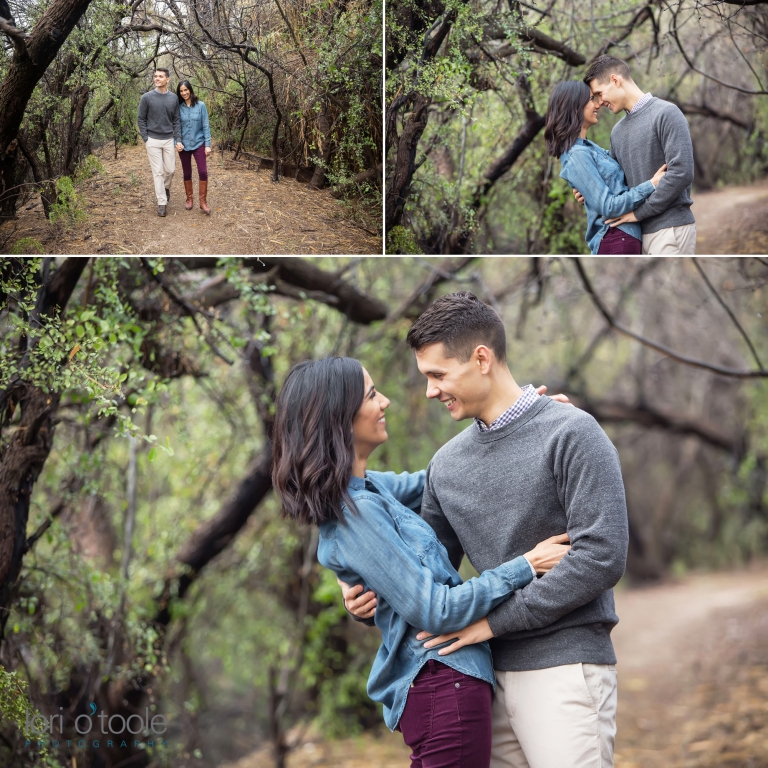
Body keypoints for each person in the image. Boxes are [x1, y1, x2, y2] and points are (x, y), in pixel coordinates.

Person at [344, 292, 629, 768]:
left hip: (564, 668)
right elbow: (427, 575)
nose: (431, 391)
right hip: (481, 676)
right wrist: (368, 599)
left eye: (438, 375)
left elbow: (602, 557)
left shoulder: (572, 432)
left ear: (481, 359)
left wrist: (494, 623)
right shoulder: (447, 465)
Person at [271, 356, 572, 768]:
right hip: (442, 686)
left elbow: (444, 474)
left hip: (448, 685)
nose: (386, 402)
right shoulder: (356, 514)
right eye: (373, 394)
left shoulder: (371, 489)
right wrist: (527, 564)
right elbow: (435, 609)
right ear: (339, 419)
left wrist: (516, 423)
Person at [575, 55, 696, 255]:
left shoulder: (666, 113)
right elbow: (616, 184)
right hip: (635, 235)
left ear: (615, 80)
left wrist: (639, 214)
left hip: (669, 229)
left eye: (599, 93)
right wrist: (590, 188)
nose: (599, 102)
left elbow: (681, 172)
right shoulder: (617, 132)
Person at [544, 81, 667, 254]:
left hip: (623, 237)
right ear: (574, 106)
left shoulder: (588, 147)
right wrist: (652, 185)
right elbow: (609, 207)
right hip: (615, 238)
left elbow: (613, 184)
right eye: (590, 99)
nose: (597, 104)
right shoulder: (576, 155)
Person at [137, 68, 182, 217]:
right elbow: (141, 119)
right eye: (155, 76)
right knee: (158, 172)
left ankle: (166, 187)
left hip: (169, 139)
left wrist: (178, 139)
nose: (157, 79)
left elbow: (176, 120)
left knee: (170, 170)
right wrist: (146, 138)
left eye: (160, 76)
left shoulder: (174, 98)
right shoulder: (147, 98)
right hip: (153, 140)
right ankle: (161, 203)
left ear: (167, 79)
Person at [176, 80, 212, 215]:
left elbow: (206, 126)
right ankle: (189, 199)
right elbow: (176, 127)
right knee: (187, 173)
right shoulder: (178, 107)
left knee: (203, 172)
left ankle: (203, 202)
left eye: (186, 90)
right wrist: (177, 141)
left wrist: (207, 145)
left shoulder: (201, 106)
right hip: (184, 145)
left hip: (199, 143)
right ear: (179, 93)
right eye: (181, 91)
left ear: (190, 90)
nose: (184, 93)